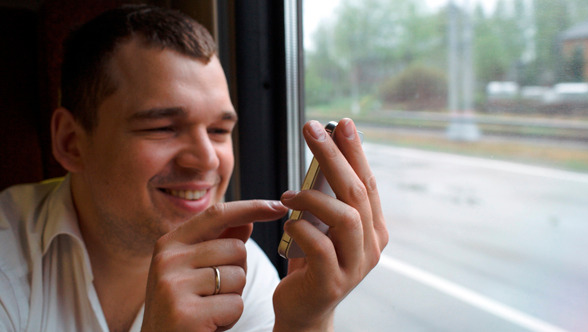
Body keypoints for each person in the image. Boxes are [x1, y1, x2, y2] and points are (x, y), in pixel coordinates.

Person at [0, 4, 388, 332]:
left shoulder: (244, 269)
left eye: (219, 130)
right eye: (162, 127)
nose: (206, 159)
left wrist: (307, 321)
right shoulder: (7, 255)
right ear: (71, 143)